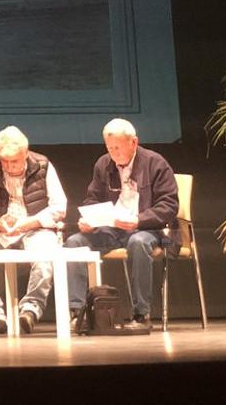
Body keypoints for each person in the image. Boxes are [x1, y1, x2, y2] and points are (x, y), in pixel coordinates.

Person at [64, 118, 179, 330]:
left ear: (133, 142)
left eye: (117, 147)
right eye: (109, 148)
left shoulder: (156, 163)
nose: (113, 153)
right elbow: (93, 198)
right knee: (74, 242)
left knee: (138, 243)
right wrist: (88, 219)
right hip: (111, 228)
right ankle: (77, 313)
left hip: (148, 228)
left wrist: (138, 220)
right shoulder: (103, 164)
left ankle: (141, 315)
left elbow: (169, 206)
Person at [0, 126, 67, 335]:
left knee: (47, 251)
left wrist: (29, 223)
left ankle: (30, 309)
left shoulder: (43, 166)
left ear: (26, 154)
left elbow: (59, 206)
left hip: (34, 228)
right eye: (5, 162)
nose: (10, 167)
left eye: (15, 162)